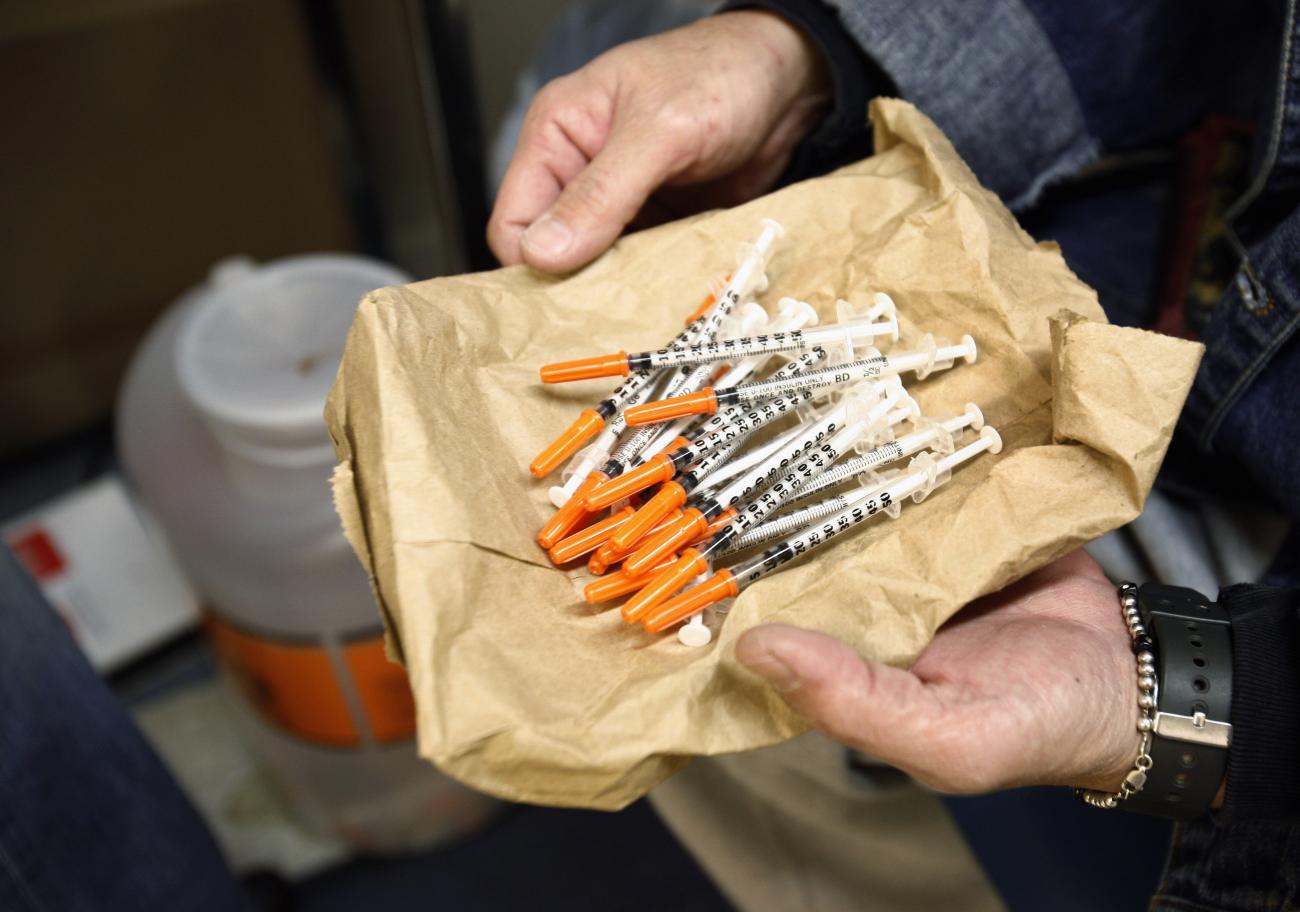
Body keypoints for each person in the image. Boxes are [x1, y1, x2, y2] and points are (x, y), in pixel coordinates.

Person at [488, 3, 1300, 909]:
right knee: (564, 89)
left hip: (1248, 544)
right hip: (1155, 225)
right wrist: (813, 56)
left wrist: (1239, 701)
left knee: (789, 725)